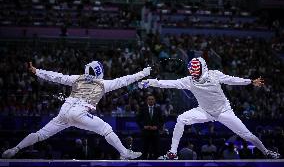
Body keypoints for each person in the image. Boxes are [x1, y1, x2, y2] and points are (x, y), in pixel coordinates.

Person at [2, 61, 151, 160]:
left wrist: (36, 71)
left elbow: (57, 77)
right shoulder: (104, 83)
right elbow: (126, 79)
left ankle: (15, 148)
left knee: (41, 134)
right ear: (99, 72)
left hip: (64, 113)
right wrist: (144, 73)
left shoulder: (77, 78)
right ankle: (125, 153)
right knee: (106, 129)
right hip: (80, 113)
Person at [140, 57, 280, 159]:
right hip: (204, 111)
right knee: (181, 119)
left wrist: (250, 81)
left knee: (247, 135)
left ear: (203, 69)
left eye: (196, 73)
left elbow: (232, 79)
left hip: (224, 112)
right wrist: (151, 82)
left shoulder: (214, 75)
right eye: (192, 74)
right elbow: (168, 83)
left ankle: (267, 152)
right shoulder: (189, 81)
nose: (194, 76)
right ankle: (173, 153)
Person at [137, 94, 164, 159]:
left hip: (155, 133)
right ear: (147, 101)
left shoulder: (158, 109)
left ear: (154, 100)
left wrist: (157, 127)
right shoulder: (142, 109)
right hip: (145, 133)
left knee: (156, 151)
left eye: (152, 99)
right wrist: (143, 126)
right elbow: (138, 120)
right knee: (144, 150)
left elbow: (162, 121)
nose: (151, 100)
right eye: (149, 99)